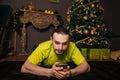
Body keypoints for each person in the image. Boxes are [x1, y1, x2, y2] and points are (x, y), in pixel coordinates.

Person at [21, 25, 90, 79]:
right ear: (51, 39)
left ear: (69, 42)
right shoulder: (42, 47)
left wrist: (71, 72)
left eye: (64, 43)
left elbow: (86, 67)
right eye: (57, 43)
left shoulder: (72, 47)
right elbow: (24, 68)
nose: (60, 48)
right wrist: (50, 72)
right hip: (43, 66)